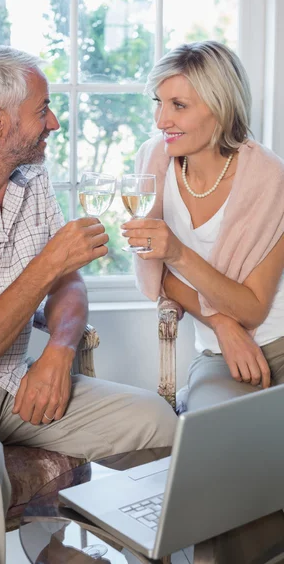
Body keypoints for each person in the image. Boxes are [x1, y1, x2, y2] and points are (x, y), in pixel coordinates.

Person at [0, 46, 177, 564]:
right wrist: (46, 264)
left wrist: (60, 352)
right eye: (42, 110)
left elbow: (70, 284)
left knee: (155, 420)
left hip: (8, 384)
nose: (55, 122)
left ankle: (65, 551)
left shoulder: (32, 182)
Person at [123, 40, 284, 412]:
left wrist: (177, 252)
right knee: (221, 436)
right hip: (218, 353)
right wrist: (222, 327)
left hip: (279, 341)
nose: (161, 120)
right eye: (158, 103)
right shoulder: (153, 161)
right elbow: (155, 273)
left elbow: (254, 309)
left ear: (220, 108)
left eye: (178, 105)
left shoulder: (269, 178)